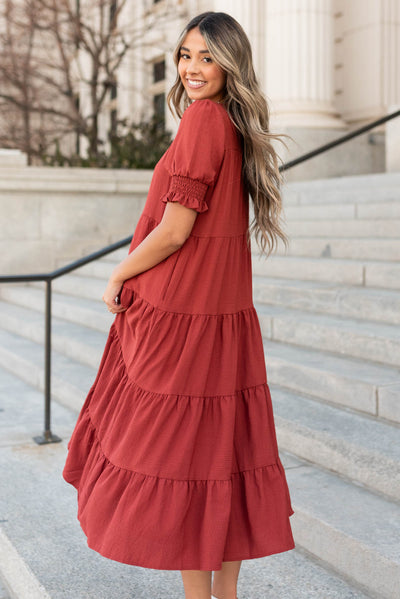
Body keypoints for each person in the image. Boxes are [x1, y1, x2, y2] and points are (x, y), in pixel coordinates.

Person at [63, 11, 294, 599]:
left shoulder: (202, 121)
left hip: (181, 316)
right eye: (186, 54)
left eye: (207, 57)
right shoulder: (234, 125)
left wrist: (119, 269)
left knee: (182, 460)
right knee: (225, 456)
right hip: (219, 320)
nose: (192, 68)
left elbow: (173, 230)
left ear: (230, 64)